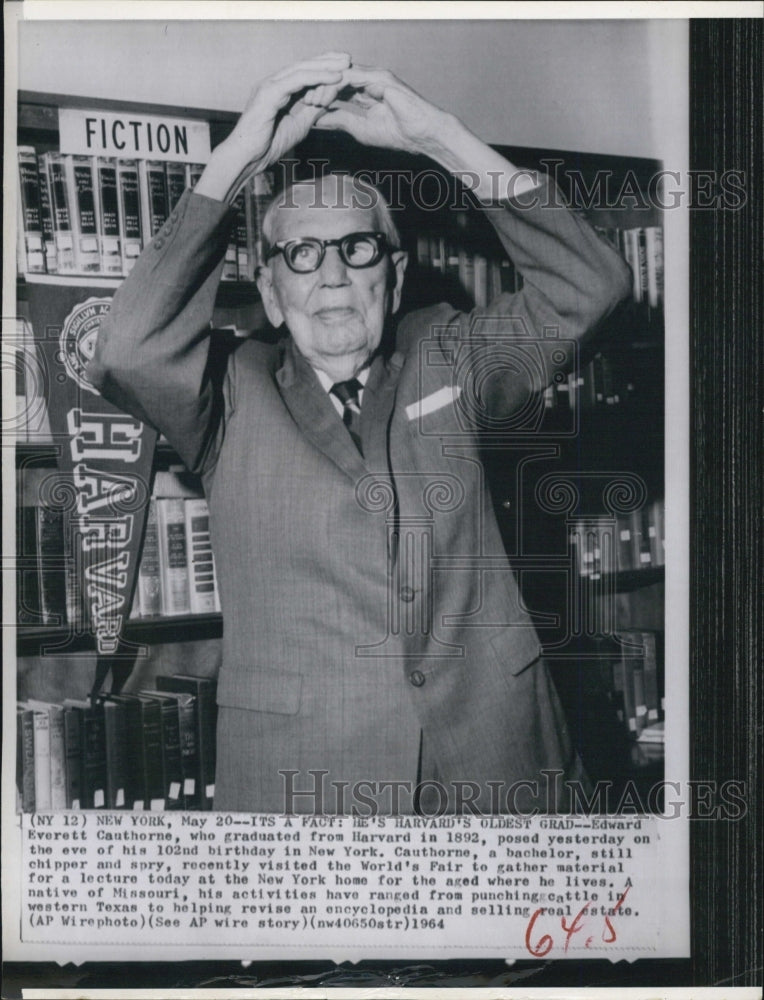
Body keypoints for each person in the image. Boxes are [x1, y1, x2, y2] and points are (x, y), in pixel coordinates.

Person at [90, 53, 631, 815]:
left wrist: (439, 138)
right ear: (272, 296)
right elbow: (125, 350)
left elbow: (591, 287)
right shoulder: (231, 392)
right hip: (311, 778)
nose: (334, 276)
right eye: (303, 257)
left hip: (498, 759)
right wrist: (238, 158)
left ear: (395, 277)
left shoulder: (449, 354)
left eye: (357, 247)